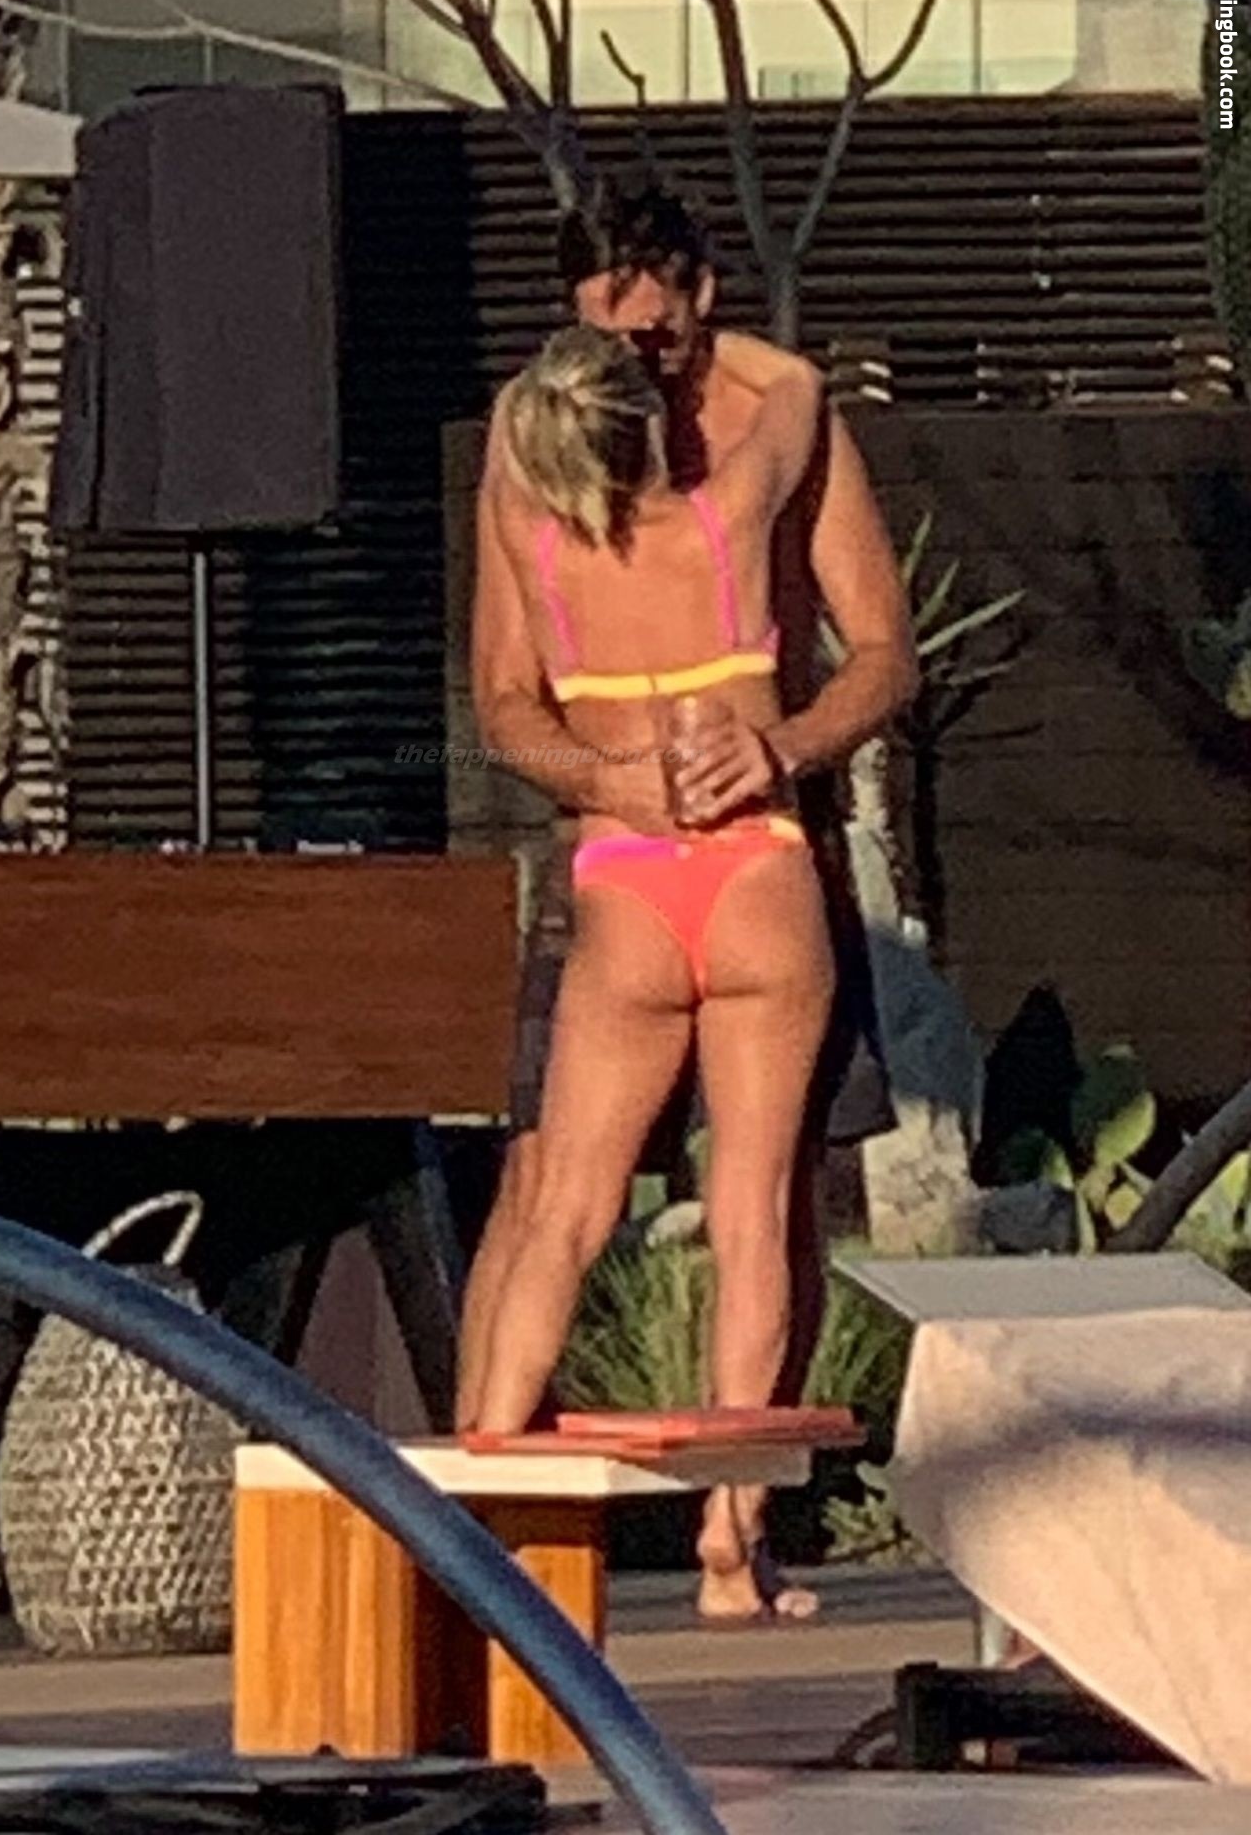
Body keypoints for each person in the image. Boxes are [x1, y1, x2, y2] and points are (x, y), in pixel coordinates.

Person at [461, 177, 916, 1620]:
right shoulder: (734, 484)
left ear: (696, 297)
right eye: (606, 333)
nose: (635, 353)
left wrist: (685, 765)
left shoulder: (542, 476)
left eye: (652, 328)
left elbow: (883, 653)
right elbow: (502, 710)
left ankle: (495, 1514)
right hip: (738, 861)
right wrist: (630, 773)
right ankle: (722, 1531)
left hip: (643, 868)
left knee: (576, 1207)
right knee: (737, 1203)